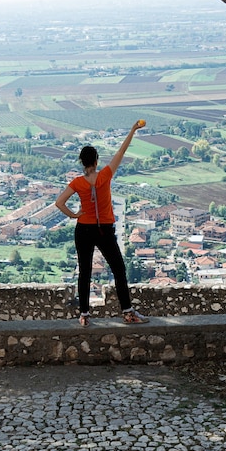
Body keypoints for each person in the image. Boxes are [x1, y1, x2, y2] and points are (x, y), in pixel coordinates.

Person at [56, 120, 149, 326]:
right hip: (104, 230)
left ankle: (84, 315)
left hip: (83, 230)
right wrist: (133, 130)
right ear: (96, 161)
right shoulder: (105, 175)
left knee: (85, 272)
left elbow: (59, 202)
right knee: (118, 269)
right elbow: (121, 152)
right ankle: (127, 312)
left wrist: (74, 215)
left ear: (82, 162)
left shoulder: (77, 183)